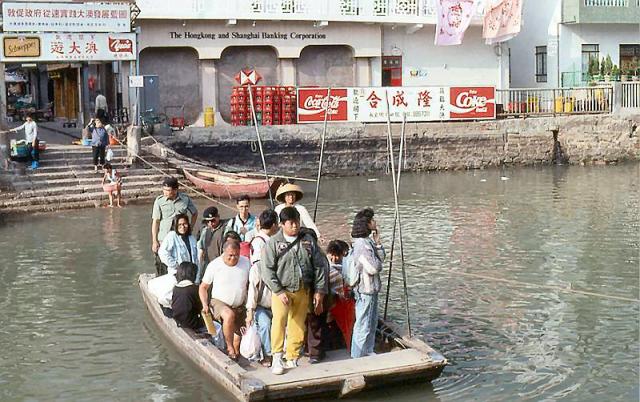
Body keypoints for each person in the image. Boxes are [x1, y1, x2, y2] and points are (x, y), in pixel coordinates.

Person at [260, 206, 327, 375]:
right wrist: (278, 290)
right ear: (282, 224)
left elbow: (319, 266)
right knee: (279, 321)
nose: (295, 226)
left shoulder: (308, 241)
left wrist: (319, 290)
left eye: (297, 222)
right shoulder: (273, 243)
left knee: (297, 323)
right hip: (281, 290)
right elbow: (267, 270)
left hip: (302, 289)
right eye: (291, 223)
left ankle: (292, 356)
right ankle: (277, 355)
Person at [199, 240, 251, 360]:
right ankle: (229, 347)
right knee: (229, 315)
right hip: (219, 302)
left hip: (239, 303)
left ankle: (235, 352)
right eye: (230, 256)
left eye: (236, 255)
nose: (233, 258)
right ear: (224, 253)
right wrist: (205, 304)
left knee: (238, 340)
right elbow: (203, 287)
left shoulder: (246, 262)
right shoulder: (215, 265)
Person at [245, 209, 279, 366]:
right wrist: (250, 311)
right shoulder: (260, 246)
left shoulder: (274, 240)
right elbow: (253, 287)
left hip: (276, 298)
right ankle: (267, 355)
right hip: (263, 300)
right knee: (264, 325)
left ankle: (278, 353)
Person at [350, 208, 385, 359]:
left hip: (372, 289)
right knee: (363, 324)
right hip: (365, 289)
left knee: (371, 322)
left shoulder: (369, 242)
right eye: (373, 220)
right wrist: (378, 263)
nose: (375, 222)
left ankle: (368, 350)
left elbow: (381, 258)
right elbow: (373, 267)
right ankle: (357, 355)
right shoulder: (361, 245)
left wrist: (378, 243)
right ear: (367, 224)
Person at [148, 214, 198, 310]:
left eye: (185, 224)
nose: (182, 227)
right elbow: (162, 252)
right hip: (178, 273)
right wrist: (176, 265)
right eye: (179, 225)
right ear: (175, 226)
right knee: (171, 294)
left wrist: (197, 275)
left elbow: (196, 259)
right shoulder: (172, 236)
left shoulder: (191, 238)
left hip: (191, 274)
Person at [152, 177, 198, 276]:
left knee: (182, 264)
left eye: (168, 190)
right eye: (164, 190)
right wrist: (154, 241)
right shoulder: (159, 201)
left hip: (181, 239)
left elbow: (194, 213)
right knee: (161, 264)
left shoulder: (185, 199)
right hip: (163, 238)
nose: (165, 192)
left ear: (175, 190)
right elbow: (156, 221)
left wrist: (191, 227)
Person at [327, 240, 356, 352]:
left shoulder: (347, 266)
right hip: (330, 301)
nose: (334, 259)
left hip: (342, 302)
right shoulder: (325, 266)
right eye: (332, 255)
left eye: (337, 256)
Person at [172, 261, 205, 330]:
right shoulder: (194, 289)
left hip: (178, 320)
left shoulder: (176, 288)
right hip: (191, 323)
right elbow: (201, 307)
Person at [196, 206, 225, 284]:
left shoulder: (225, 229)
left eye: (213, 220)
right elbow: (200, 249)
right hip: (207, 266)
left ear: (218, 217)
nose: (210, 224)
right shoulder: (204, 230)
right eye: (207, 222)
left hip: (220, 266)